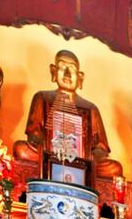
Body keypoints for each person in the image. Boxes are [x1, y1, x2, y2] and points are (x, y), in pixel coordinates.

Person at [13, 49, 123, 180]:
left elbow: (100, 147)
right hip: (49, 156)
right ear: (53, 71)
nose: (67, 74)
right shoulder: (43, 98)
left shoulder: (90, 108)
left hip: (82, 162)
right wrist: (46, 147)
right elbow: (34, 134)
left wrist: (93, 155)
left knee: (114, 168)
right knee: (21, 149)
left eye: (72, 69)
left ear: (80, 77)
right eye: (62, 67)